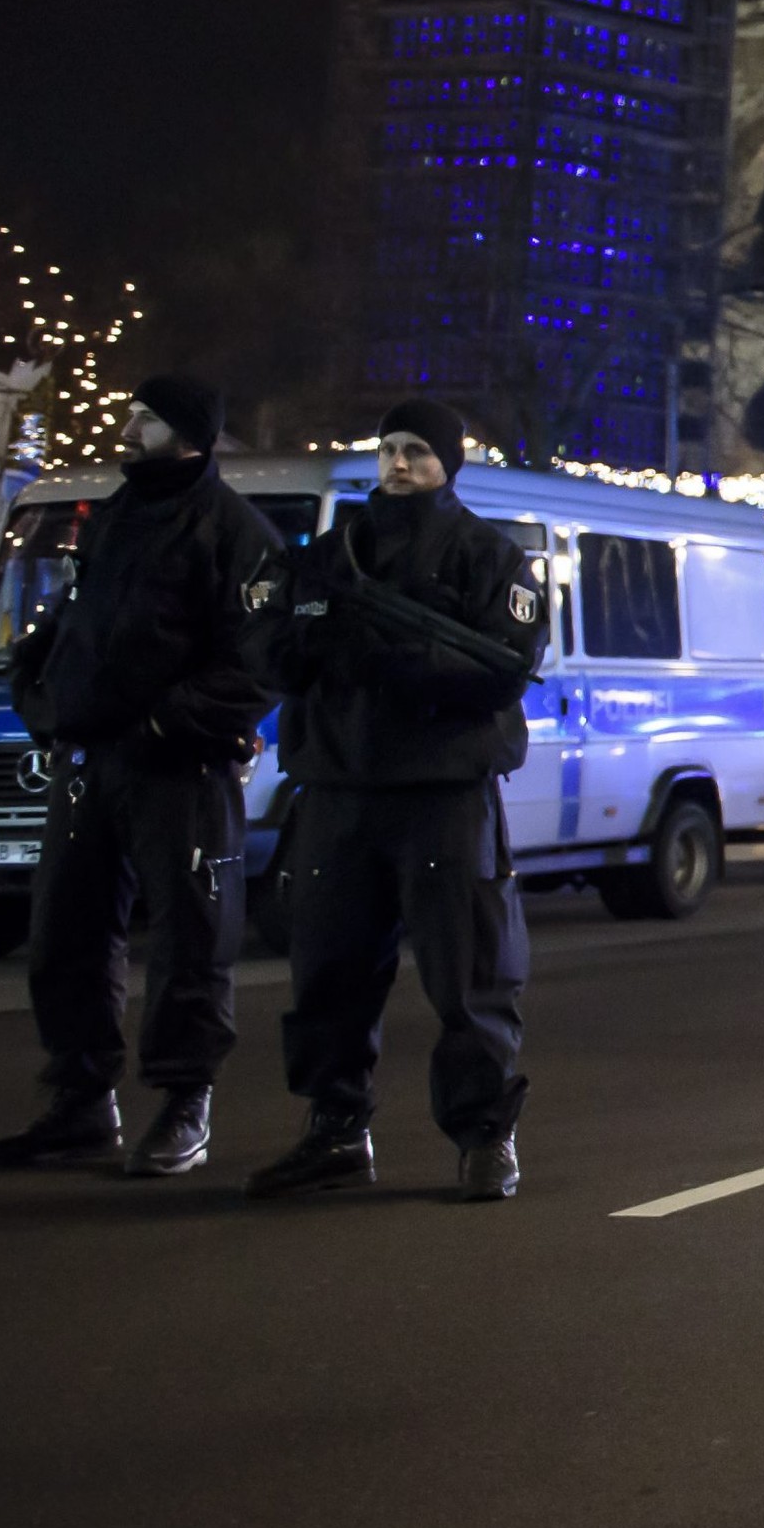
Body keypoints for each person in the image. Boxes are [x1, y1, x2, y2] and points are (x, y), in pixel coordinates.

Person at [0, 376, 287, 1176]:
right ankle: (80, 1101)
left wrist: (167, 721)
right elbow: (70, 622)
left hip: (179, 769)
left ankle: (185, 1103)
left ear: (188, 431)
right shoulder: (115, 517)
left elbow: (260, 663)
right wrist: (39, 694)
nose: (129, 428)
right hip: (88, 763)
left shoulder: (235, 532)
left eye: (146, 418)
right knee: (64, 937)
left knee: (190, 942)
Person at [250, 402, 548, 1203]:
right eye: (387, 449)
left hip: (442, 797)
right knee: (328, 973)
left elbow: (504, 667)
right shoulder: (326, 559)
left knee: (470, 978)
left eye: (416, 450)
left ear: (448, 463)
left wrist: (392, 659)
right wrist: (314, 641)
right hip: (339, 792)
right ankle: (336, 1128)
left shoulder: (488, 558)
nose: (399, 463)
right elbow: (268, 651)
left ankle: (485, 1136)